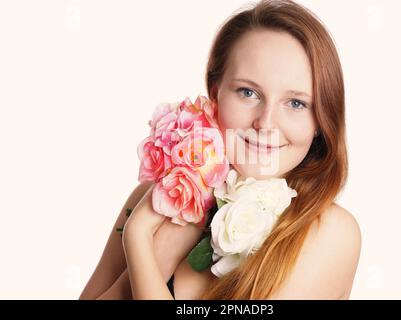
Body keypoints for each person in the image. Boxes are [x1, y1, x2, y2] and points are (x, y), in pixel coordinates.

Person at [79, 0, 361, 300]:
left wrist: (140, 242)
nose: (265, 123)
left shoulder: (331, 234)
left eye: (296, 103)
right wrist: (155, 247)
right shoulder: (154, 200)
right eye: (248, 92)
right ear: (215, 94)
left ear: (320, 119)